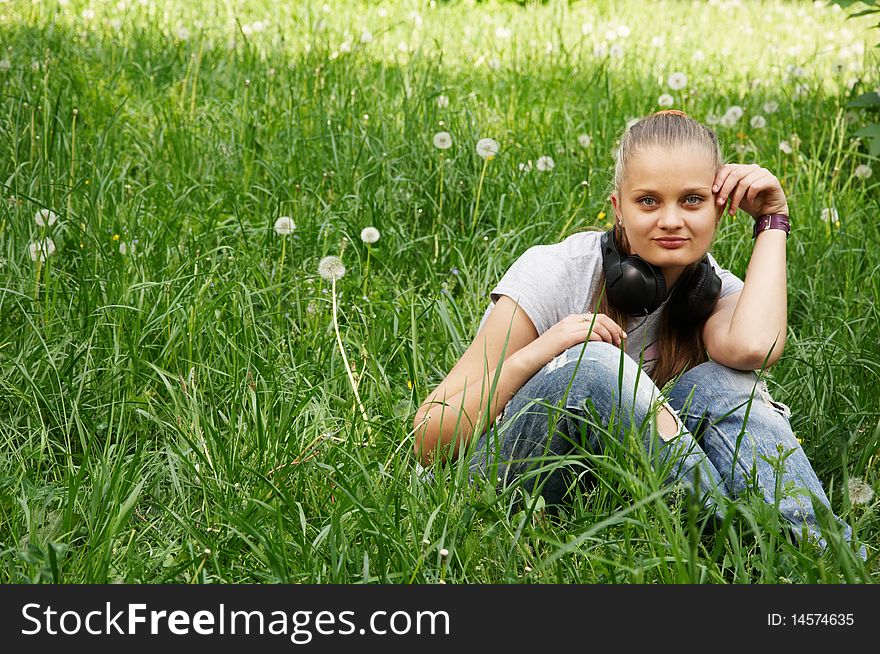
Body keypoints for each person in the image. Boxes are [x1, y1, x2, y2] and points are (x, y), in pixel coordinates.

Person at [412, 110, 865, 557]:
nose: (670, 220)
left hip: (621, 495)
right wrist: (544, 353)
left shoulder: (714, 292)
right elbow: (428, 440)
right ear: (619, 209)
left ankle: (832, 558)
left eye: (691, 200)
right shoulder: (556, 271)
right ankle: (733, 542)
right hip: (503, 484)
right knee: (594, 366)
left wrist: (772, 220)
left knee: (725, 382)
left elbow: (753, 349)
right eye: (648, 201)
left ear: (719, 207)